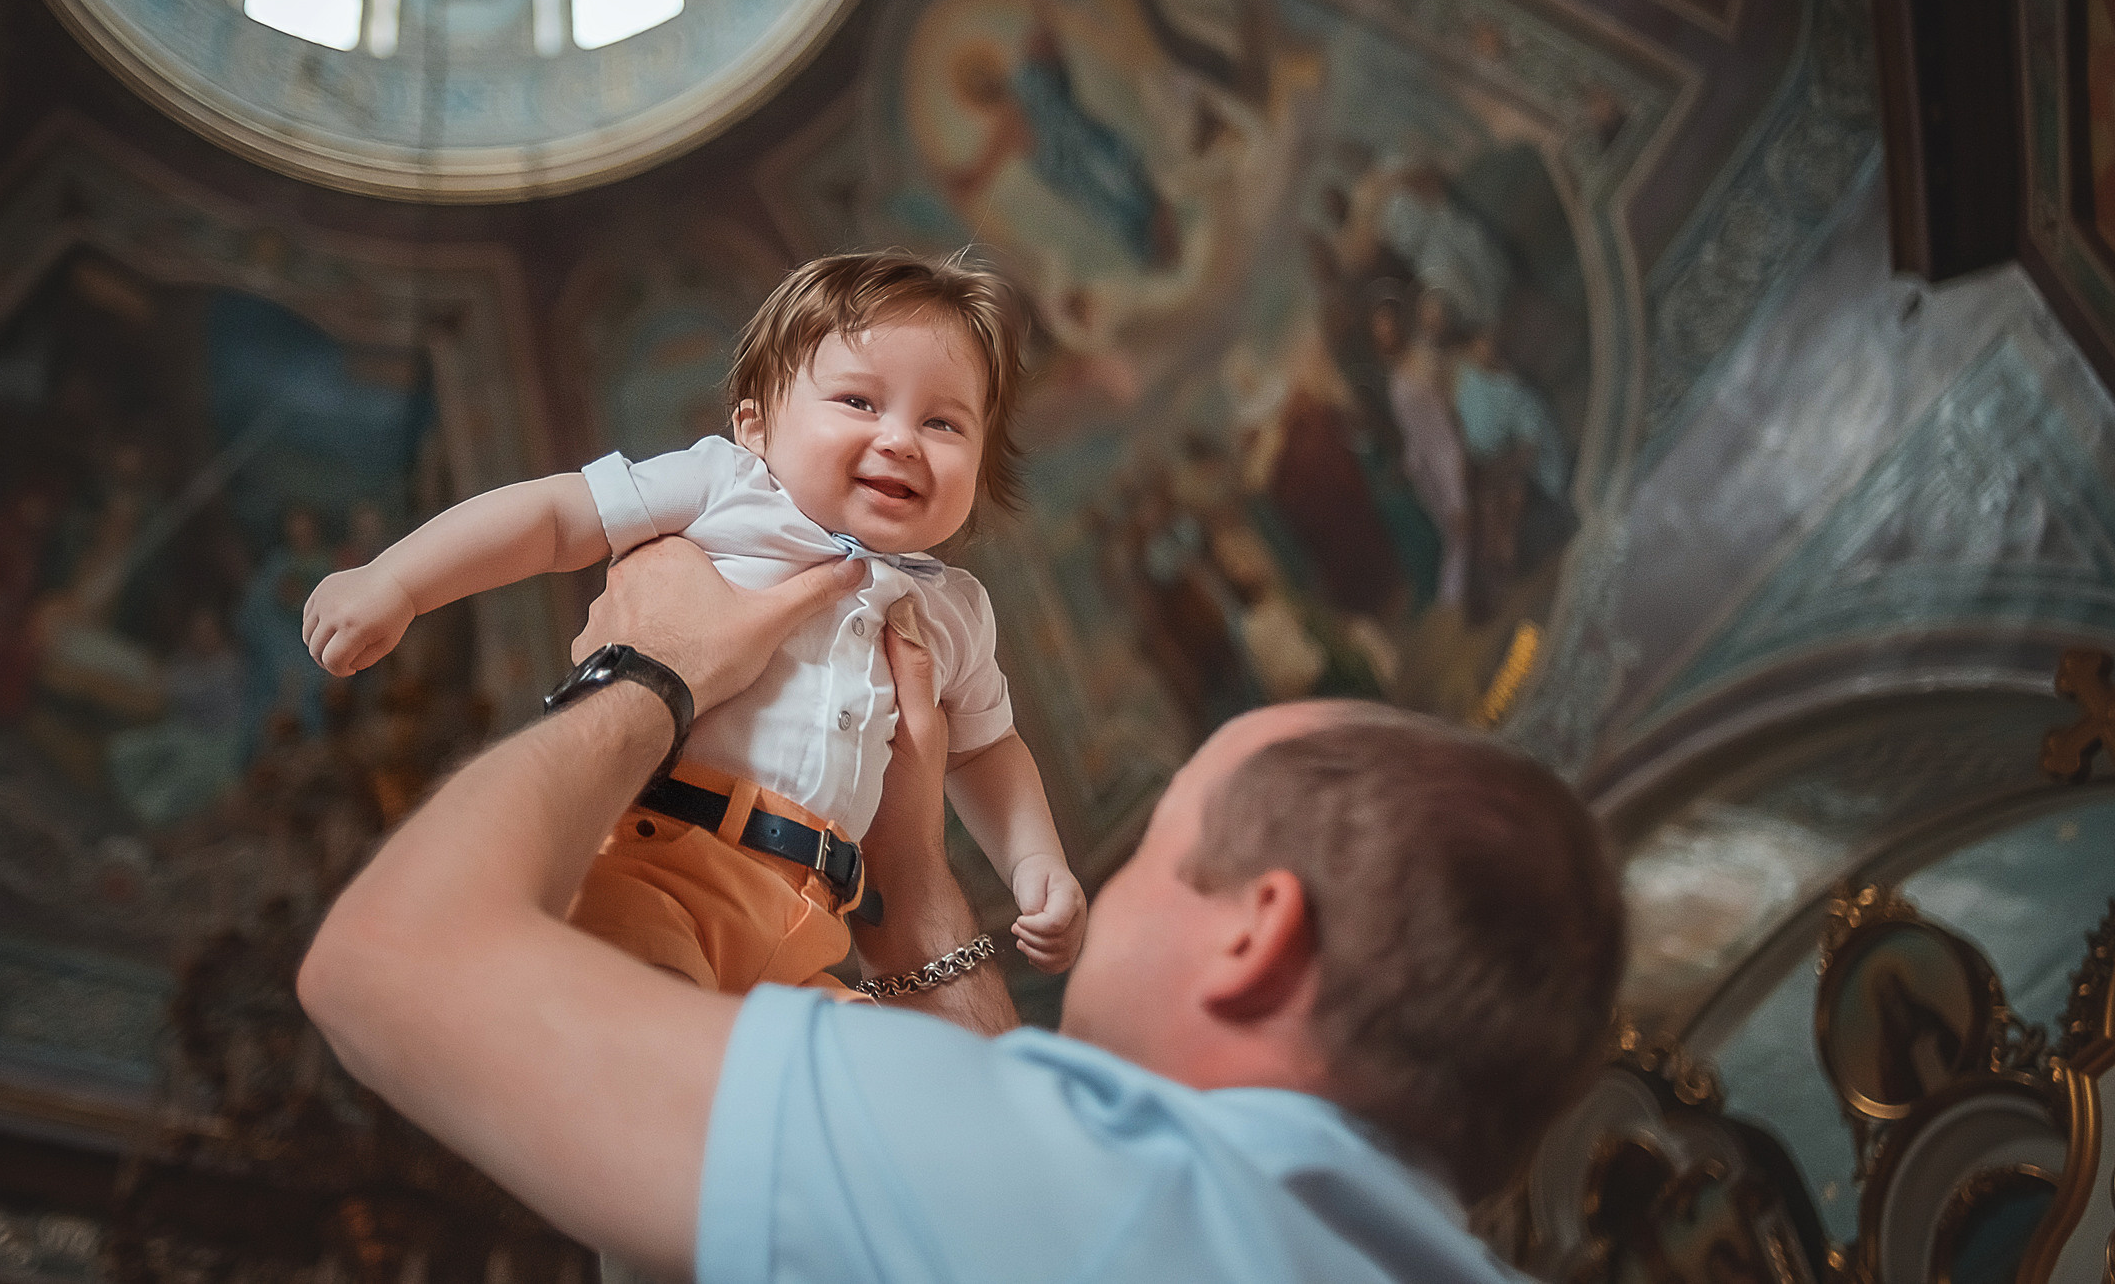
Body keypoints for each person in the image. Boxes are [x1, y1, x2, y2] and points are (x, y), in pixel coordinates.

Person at [297, 536, 1625, 1280]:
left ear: (1255, 932)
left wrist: (652, 669)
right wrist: (915, 879)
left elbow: (390, 960)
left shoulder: (1123, 1197)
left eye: (1160, 842)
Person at [301, 252, 1085, 993]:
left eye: (945, 424)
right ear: (755, 426)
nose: (900, 439)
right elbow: (554, 517)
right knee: (650, 1025)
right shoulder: (727, 487)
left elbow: (986, 747)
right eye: (858, 401)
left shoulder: (954, 609)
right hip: (660, 865)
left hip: (816, 928)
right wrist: (394, 580)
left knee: (869, 1091)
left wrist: (1035, 861)